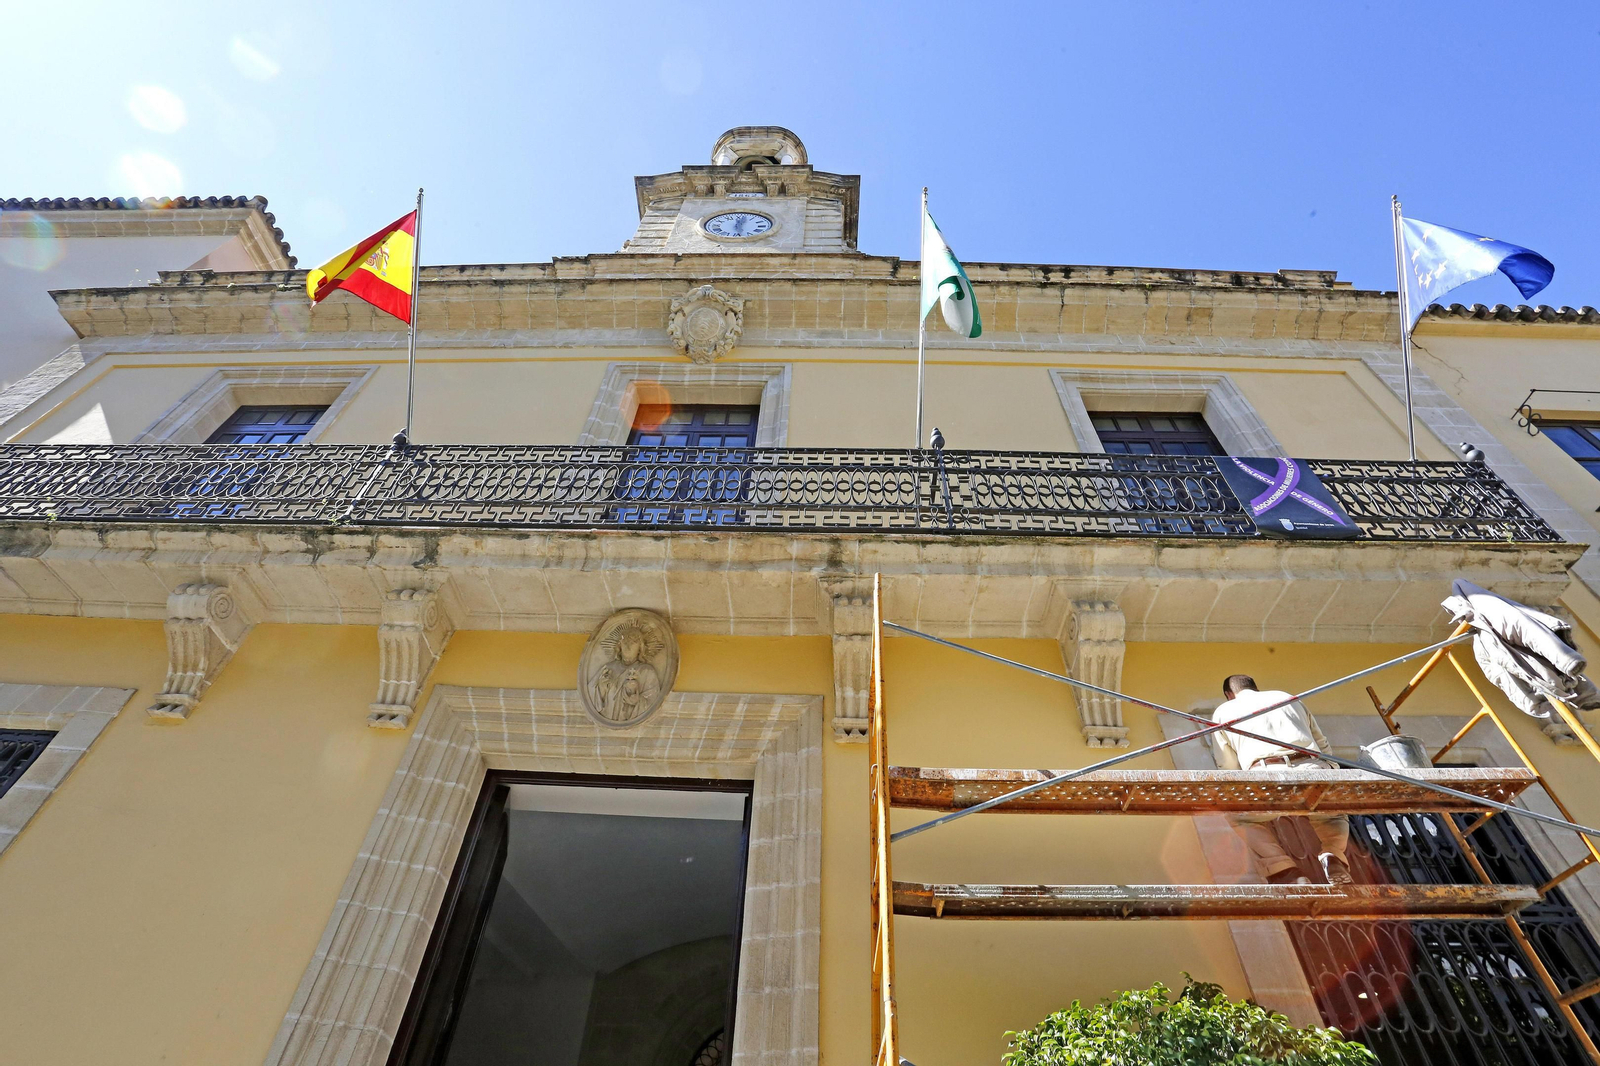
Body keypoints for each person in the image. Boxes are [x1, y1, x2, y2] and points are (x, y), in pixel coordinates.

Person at [1211, 674, 1352, 886]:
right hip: (1311, 768)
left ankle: (1284, 869)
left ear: (1229, 695)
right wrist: (1330, 772)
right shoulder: (1287, 697)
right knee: (1332, 815)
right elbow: (1321, 743)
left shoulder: (1223, 711)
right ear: (1255, 687)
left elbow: (1227, 765)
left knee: (1241, 818)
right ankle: (1332, 855)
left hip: (1266, 774)